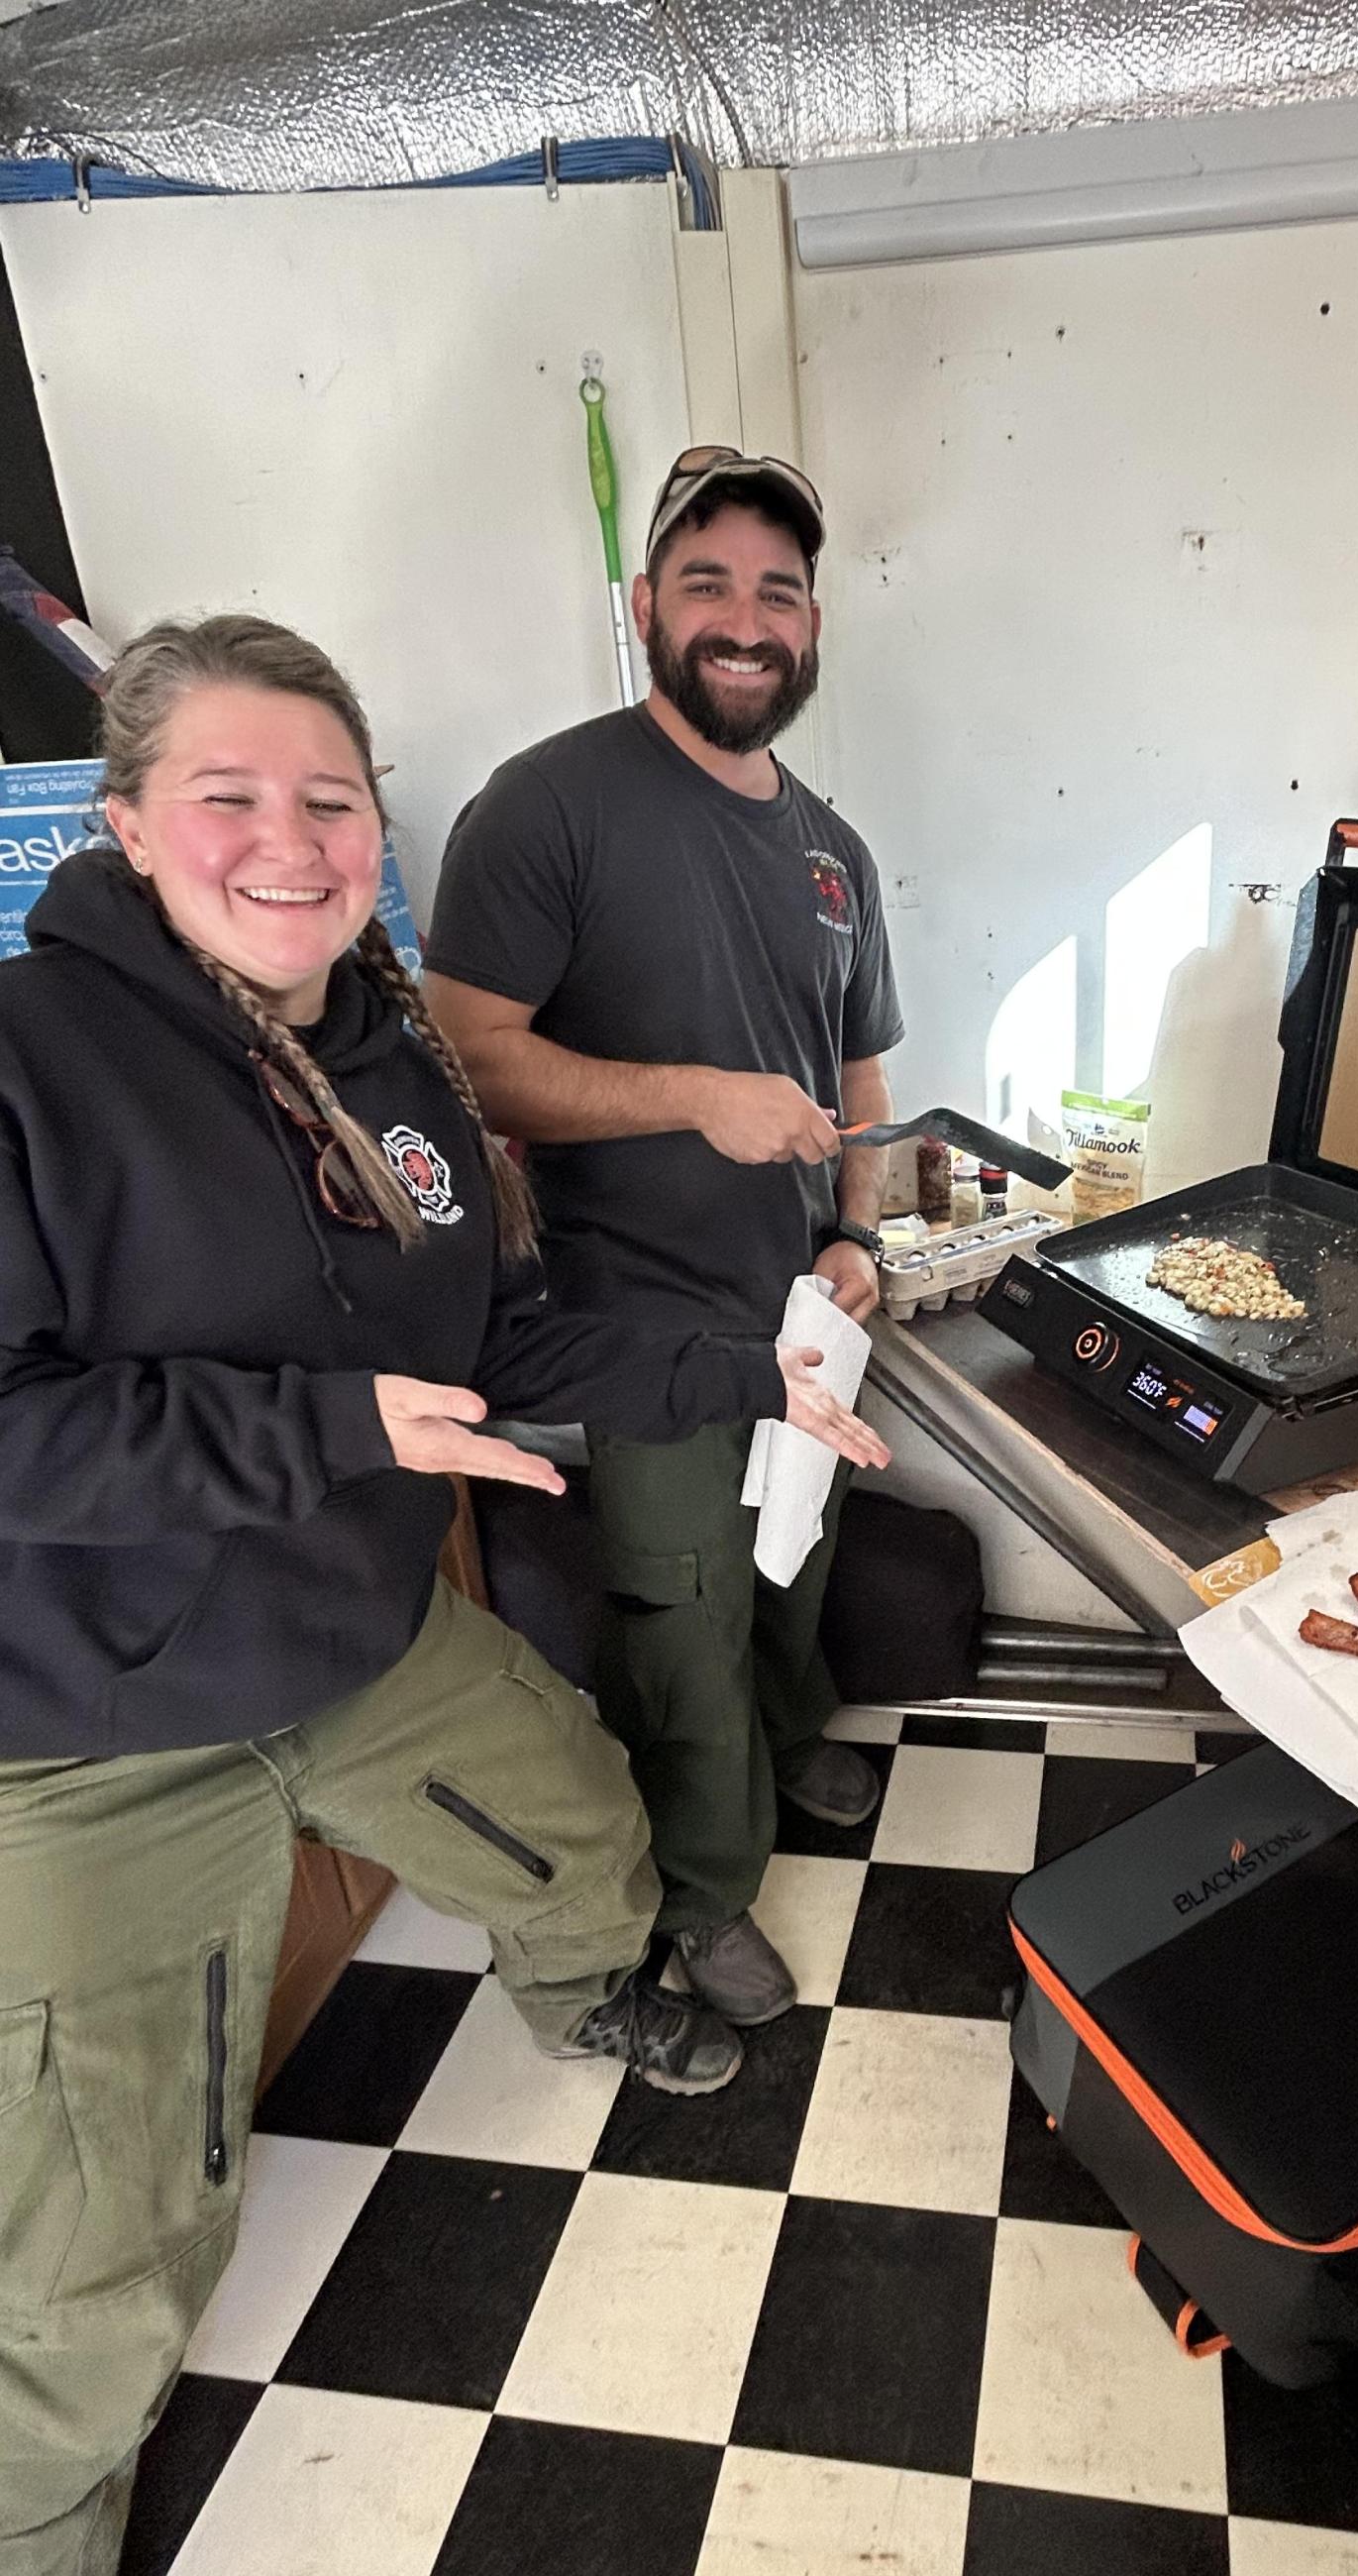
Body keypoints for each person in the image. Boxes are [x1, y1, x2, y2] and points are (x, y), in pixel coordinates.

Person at [0, 612, 887, 2576]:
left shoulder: (384, 1052)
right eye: (229, 795)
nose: (291, 837)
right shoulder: (27, 1056)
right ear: (133, 822)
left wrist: (757, 1368)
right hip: (88, 1719)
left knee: (578, 1815)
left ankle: (585, 1991)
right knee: (99, 2243)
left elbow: (498, 1346)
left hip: (353, 1636)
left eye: (328, 795)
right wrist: (328, 1430)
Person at [426, 445, 902, 2031]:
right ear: (645, 605)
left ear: (813, 624)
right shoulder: (548, 802)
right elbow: (466, 1061)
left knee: (794, 1562)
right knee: (685, 1615)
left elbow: (862, 1075)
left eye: (776, 590)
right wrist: (692, 1097)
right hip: (647, 1328)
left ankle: (786, 1740)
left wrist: (860, 1242)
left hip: (803, 1315)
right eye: (706, 582)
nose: (743, 618)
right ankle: (703, 1898)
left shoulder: (834, 847)